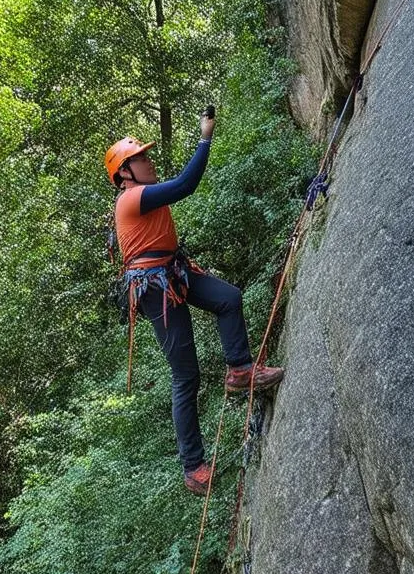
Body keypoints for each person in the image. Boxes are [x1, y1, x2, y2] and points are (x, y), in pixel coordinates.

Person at [104, 109, 284, 496]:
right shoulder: (131, 199)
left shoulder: (142, 195)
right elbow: (187, 184)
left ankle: (240, 371)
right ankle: (193, 467)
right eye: (141, 159)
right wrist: (205, 137)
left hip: (172, 271)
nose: (149, 162)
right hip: (155, 289)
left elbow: (179, 187)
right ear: (125, 173)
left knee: (228, 298)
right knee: (186, 376)